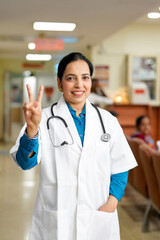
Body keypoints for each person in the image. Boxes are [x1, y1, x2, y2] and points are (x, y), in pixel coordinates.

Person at [10, 52, 137, 240]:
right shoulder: (43, 119)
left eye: (85, 78)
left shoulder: (107, 121)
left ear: (91, 82)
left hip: (99, 215)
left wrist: (111, 204)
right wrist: (32, 130)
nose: (79, 85)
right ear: (60, 83)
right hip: (58, 220)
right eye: (71, 78)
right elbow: (25, 163)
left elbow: (120, 168)